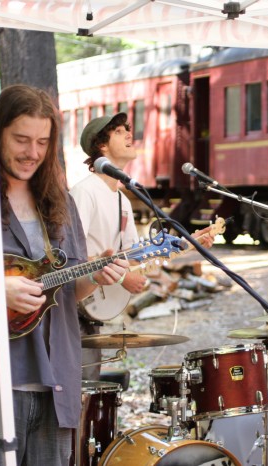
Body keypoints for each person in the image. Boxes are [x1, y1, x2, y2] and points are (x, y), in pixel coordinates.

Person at [0, 84, 129, 465]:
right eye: (21, 139)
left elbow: (69, 291)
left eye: (42, 142)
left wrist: (97, 275)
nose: (32, 153)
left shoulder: (59, 201)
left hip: (56, 384)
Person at [71, 113, 218, 380]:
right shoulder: (85, 191)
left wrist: (188, 244)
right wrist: (124, 277)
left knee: (90, 389)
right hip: (75, 308)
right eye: (119, 132)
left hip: (95, 313)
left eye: (128, 129)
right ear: (101, 146)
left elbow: (134, 257)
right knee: (79, 391)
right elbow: (71, 253)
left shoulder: (122, 200)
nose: (130, 135)